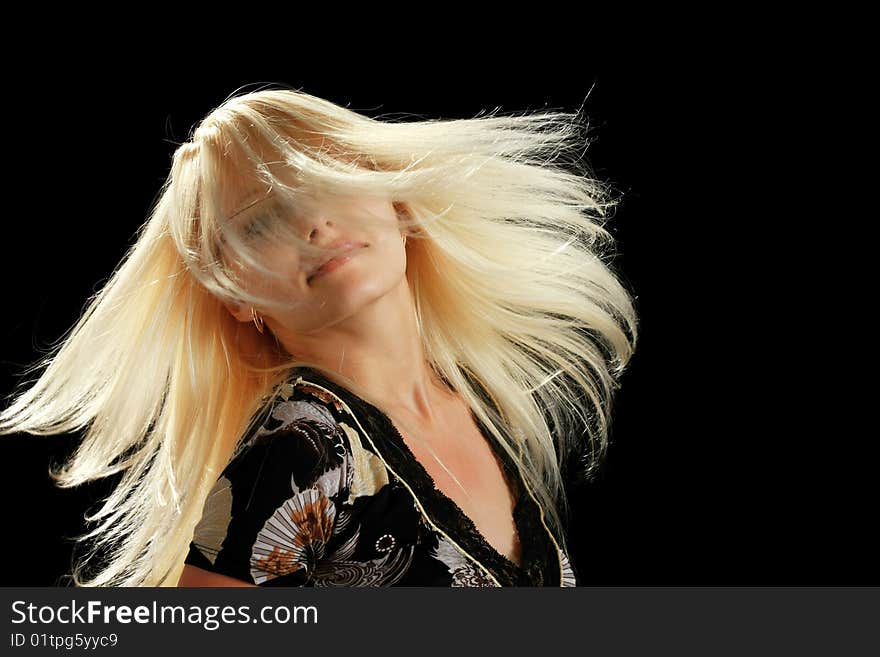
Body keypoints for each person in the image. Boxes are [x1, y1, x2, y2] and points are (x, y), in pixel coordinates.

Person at [0, 86, 638, 586]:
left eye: (326, 178)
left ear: (398, 203)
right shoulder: (304, 441)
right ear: (235, 296)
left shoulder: (485, 407)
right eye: (256, 224)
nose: (313, 223)